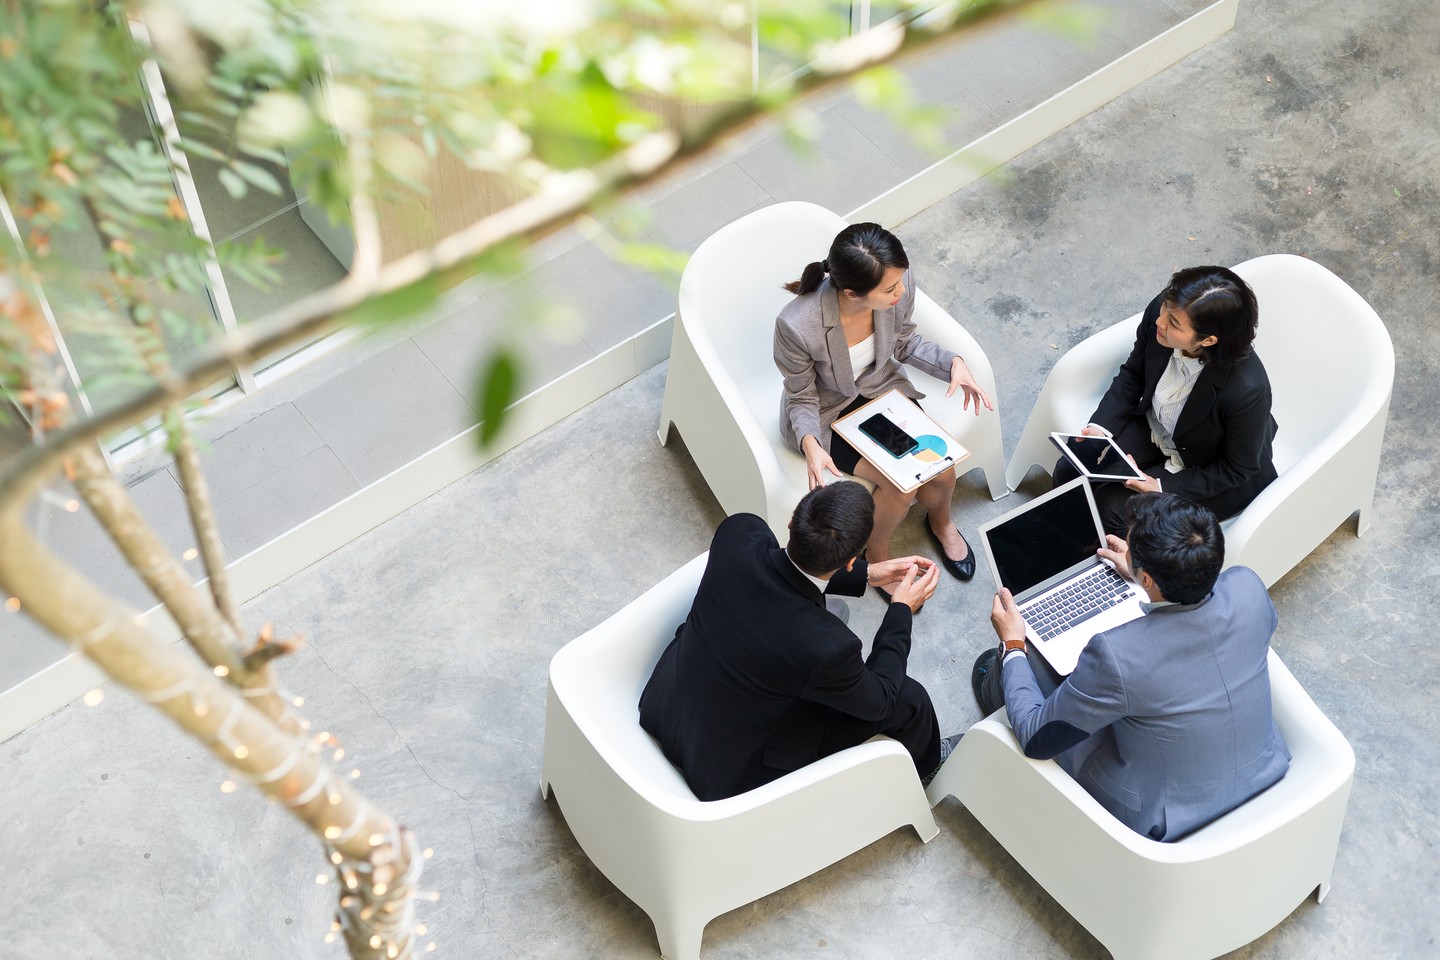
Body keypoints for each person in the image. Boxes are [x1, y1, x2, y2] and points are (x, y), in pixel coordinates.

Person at [971, 493, 1290, 841]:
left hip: (1164, 815)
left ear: (1149, 577)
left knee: (1024, 661)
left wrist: (1013, 644)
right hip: (1264, 765)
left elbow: (1036, 738)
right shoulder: (1249, 588)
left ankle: (998, 676)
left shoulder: (1114, 655)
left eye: (1133, 548)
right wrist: (1142, 576)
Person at [639, 481, 959, 802]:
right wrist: (901, 609)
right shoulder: (829, 647)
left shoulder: (739, 532)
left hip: (663, 704)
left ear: (792, 522)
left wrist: (867, 574)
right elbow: (881, 700)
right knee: (910, 699)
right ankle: (930, 766)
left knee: (816, 629)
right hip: (724, 772)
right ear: (849, 561)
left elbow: (777, 560)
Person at [773, 223, 993, 597]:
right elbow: (802, 396)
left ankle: (941, 523)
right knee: (900, 484)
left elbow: (904, 341)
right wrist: (810, 442)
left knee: (940, 465)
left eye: (900, 282)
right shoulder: (797, 325)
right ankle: (876, 556)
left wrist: (952, 362)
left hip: (879, 393)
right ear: (851, 293)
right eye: (890, 289)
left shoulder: (897, 283)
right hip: (828, 414)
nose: (902, 291)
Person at [1052, 265, 1277, 536]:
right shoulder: (1162, 313)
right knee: (1070, 469)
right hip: (1155, 426)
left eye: (1173, 323)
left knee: (1117, 510)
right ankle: (1063, 544)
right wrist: (1100, 429)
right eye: (1165, 311)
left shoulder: (1247, 390)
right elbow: (1134, 374)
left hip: (1206, 466)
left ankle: (1098, 564)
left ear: (1208, 340)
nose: (1161, 321)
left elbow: (1236, 469)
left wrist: (1159, 485)